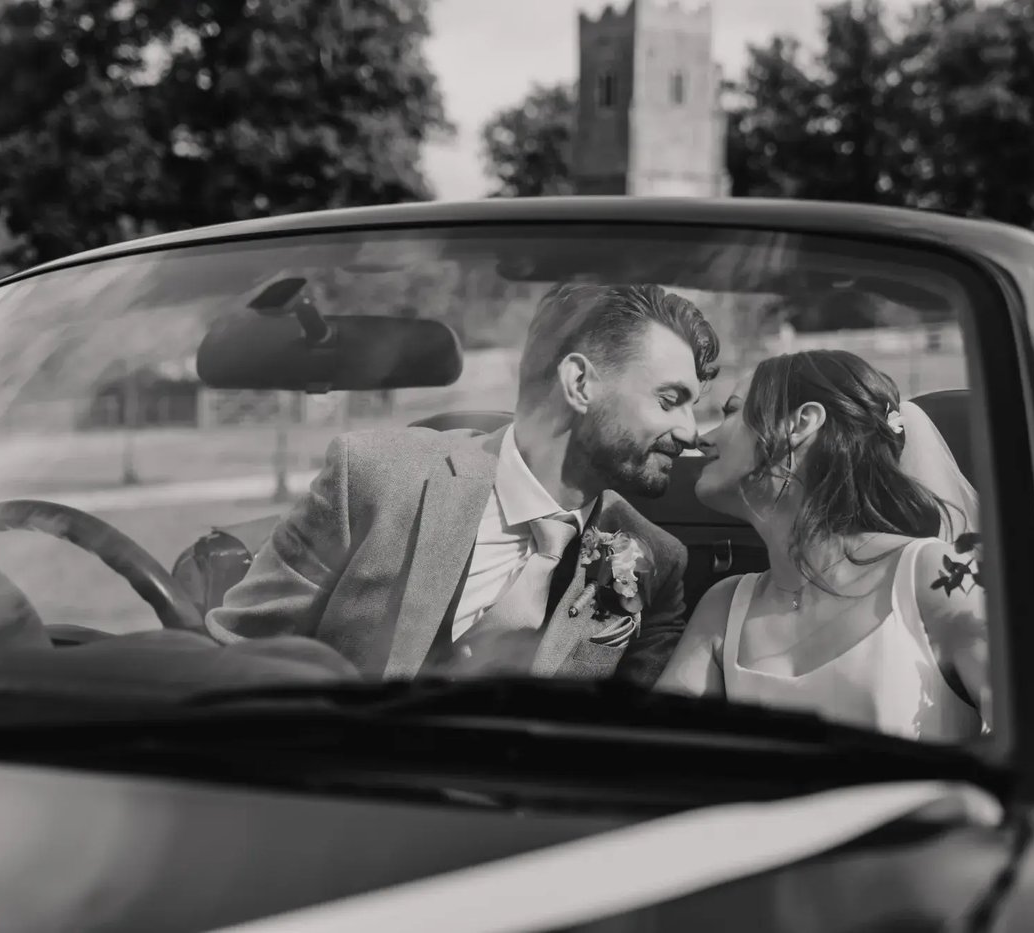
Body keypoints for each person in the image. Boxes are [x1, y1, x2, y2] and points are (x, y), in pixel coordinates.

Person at [205, 283, 720, 688]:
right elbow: (237, 656)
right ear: (580, 384)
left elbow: (634, 733)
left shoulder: (654, 561)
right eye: (670, 399)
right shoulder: (373, 477)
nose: (691, 431)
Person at [655, 349, 989, 741]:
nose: (702, 438)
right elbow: (652, 754)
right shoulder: (723, 606)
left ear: (802, 422)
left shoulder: (933, 576)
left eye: (730, 412)